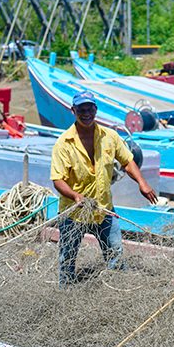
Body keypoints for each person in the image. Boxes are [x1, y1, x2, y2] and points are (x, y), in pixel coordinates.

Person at [51, 90, 158, 286]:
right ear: (73, 111)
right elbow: (58, 180)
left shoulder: (110, 136)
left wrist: (142, 183)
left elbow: (127, 161)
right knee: (67, 259)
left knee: (115, 252)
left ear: (95, 109)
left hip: (103, 208)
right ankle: (65, 292)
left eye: (90, 108)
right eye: (81, 109)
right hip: (74, 213)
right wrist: (75, 196)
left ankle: (116, 288)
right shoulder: (63, 143)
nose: (86, 113)